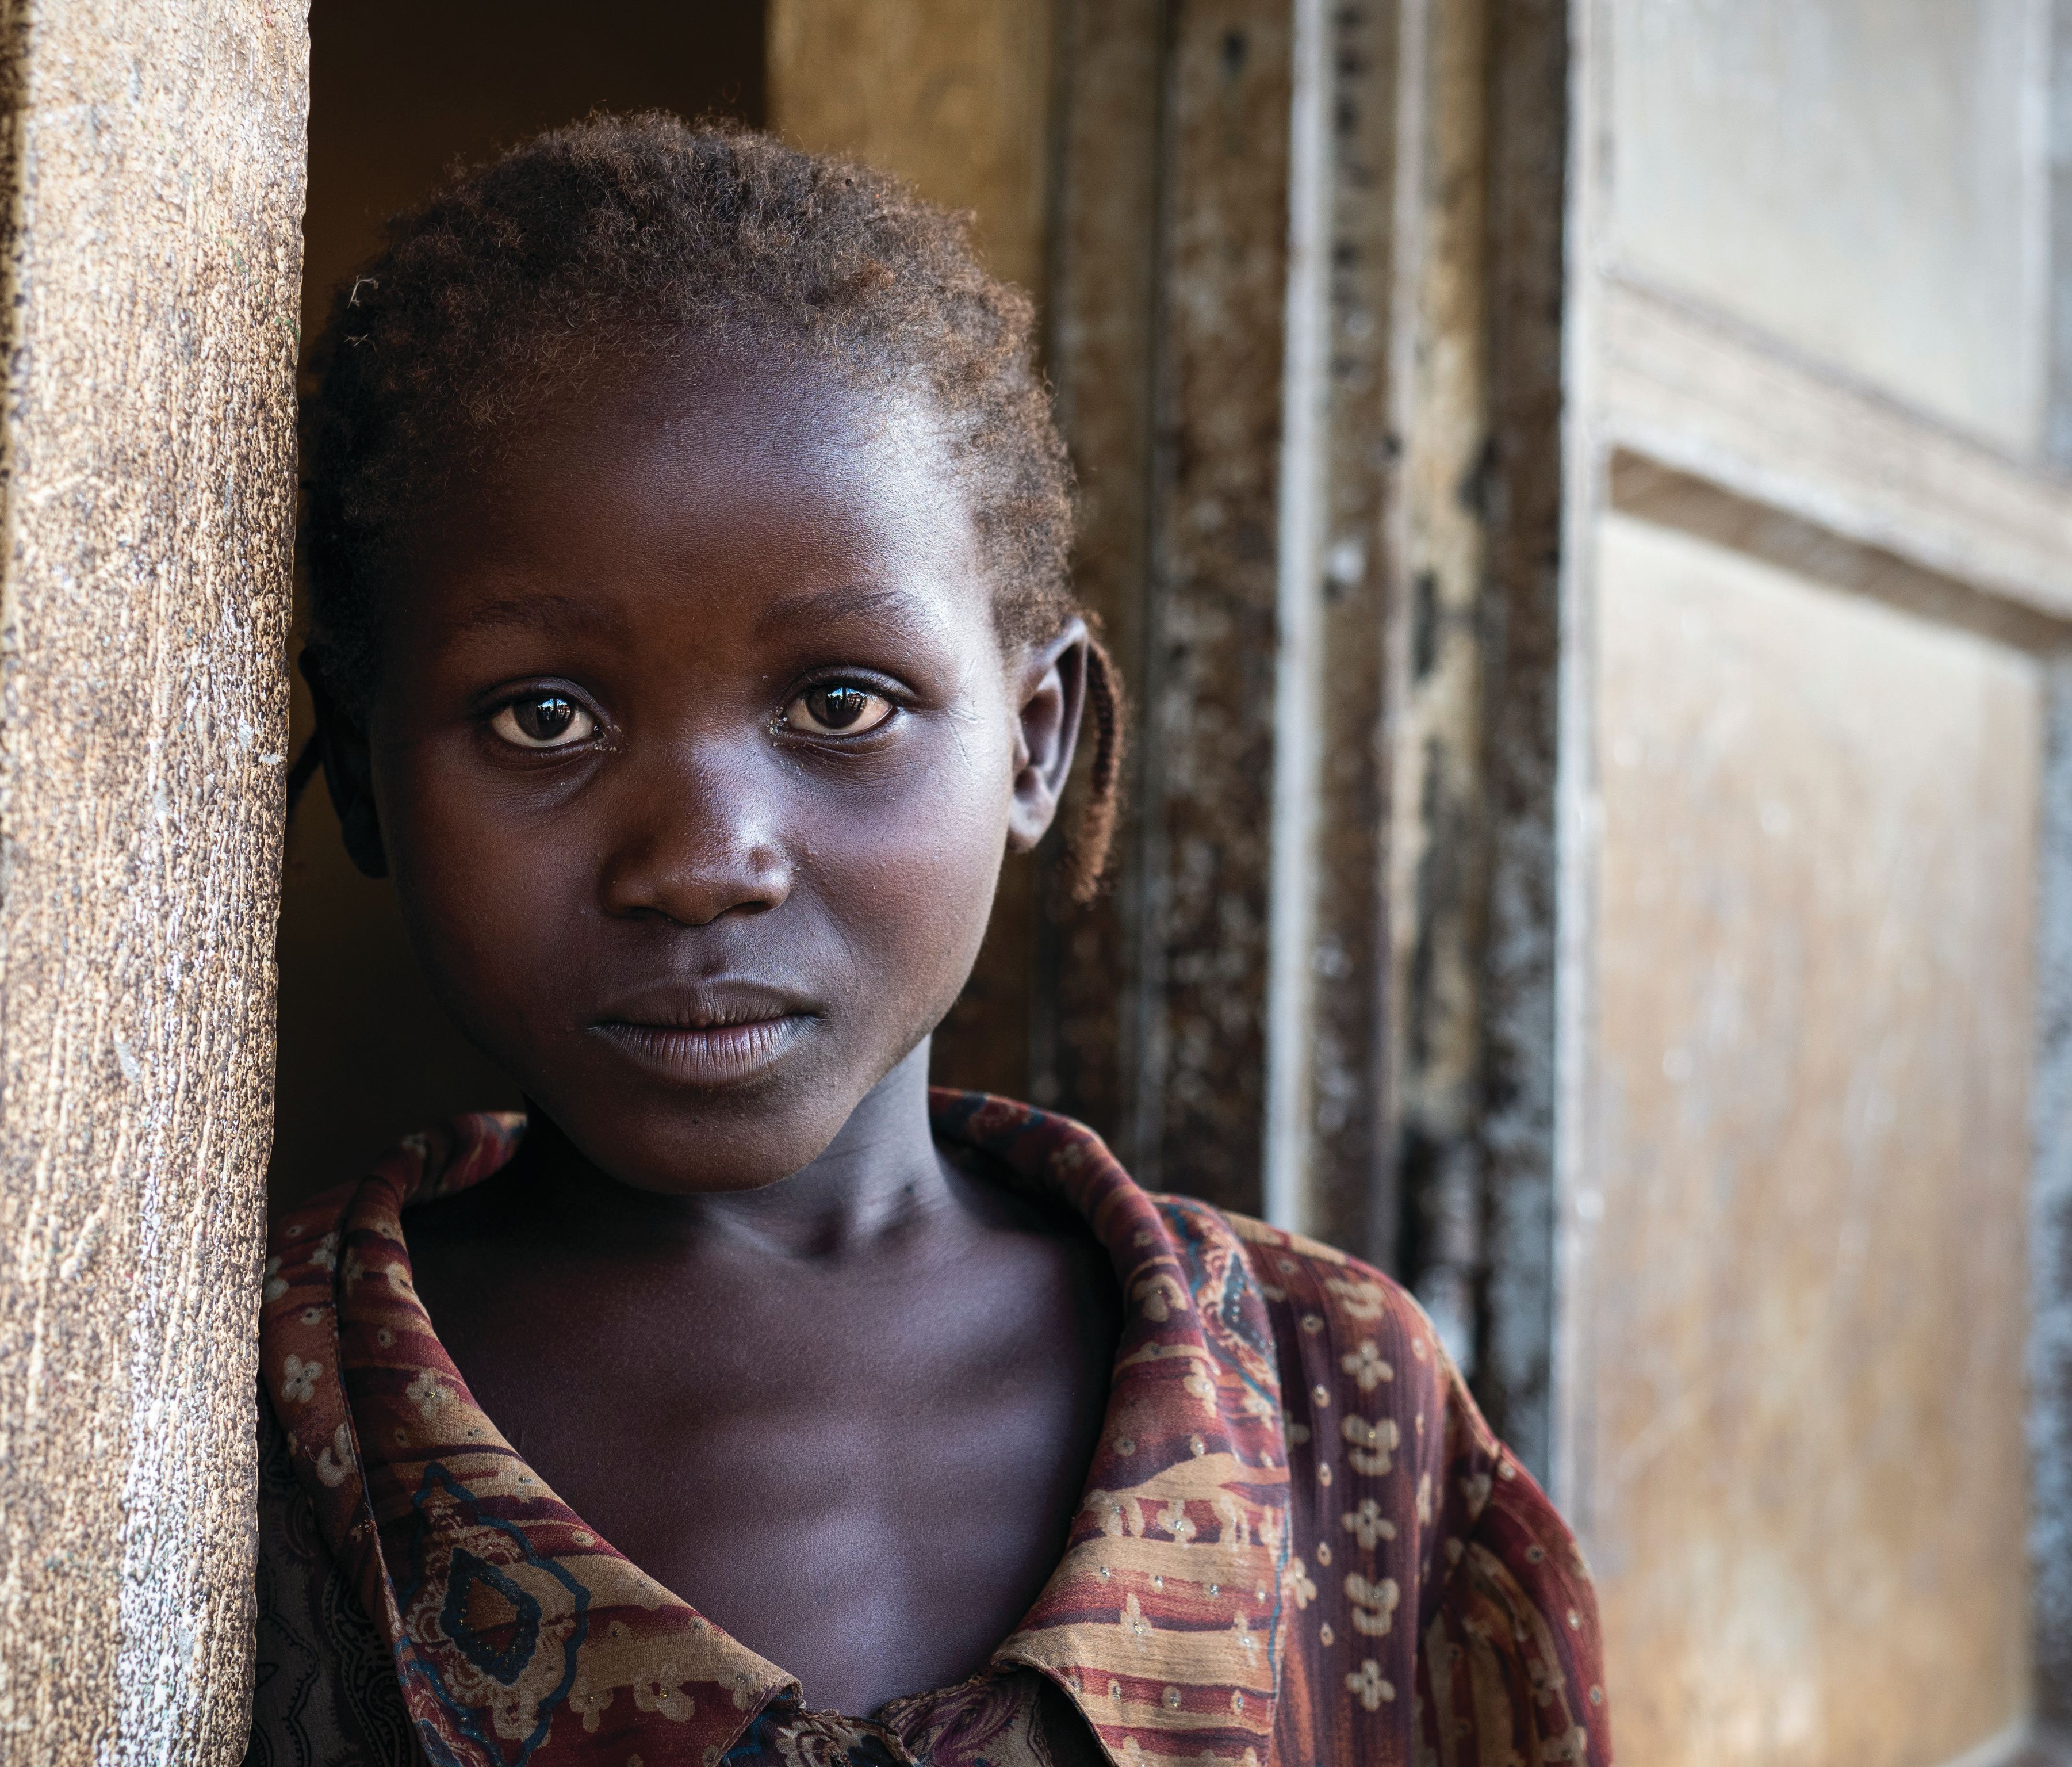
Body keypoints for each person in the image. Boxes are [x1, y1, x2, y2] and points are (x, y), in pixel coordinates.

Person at [250, 114, 1606, 1767]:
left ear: (1037, 743)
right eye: (542, 718)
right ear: (366, 772)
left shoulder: (1339, 1401)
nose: (700, 866)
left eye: (841, 703)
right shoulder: (246, 1421)